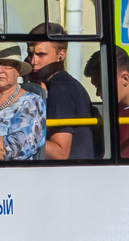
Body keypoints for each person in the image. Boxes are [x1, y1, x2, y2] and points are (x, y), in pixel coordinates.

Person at [27, 22, 93, 160]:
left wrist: (17, 139)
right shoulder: (66, 84)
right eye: (30, 54)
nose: (33, 61)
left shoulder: (60, 89)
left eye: (41, 55)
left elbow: (60, 152)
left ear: (61, 55)